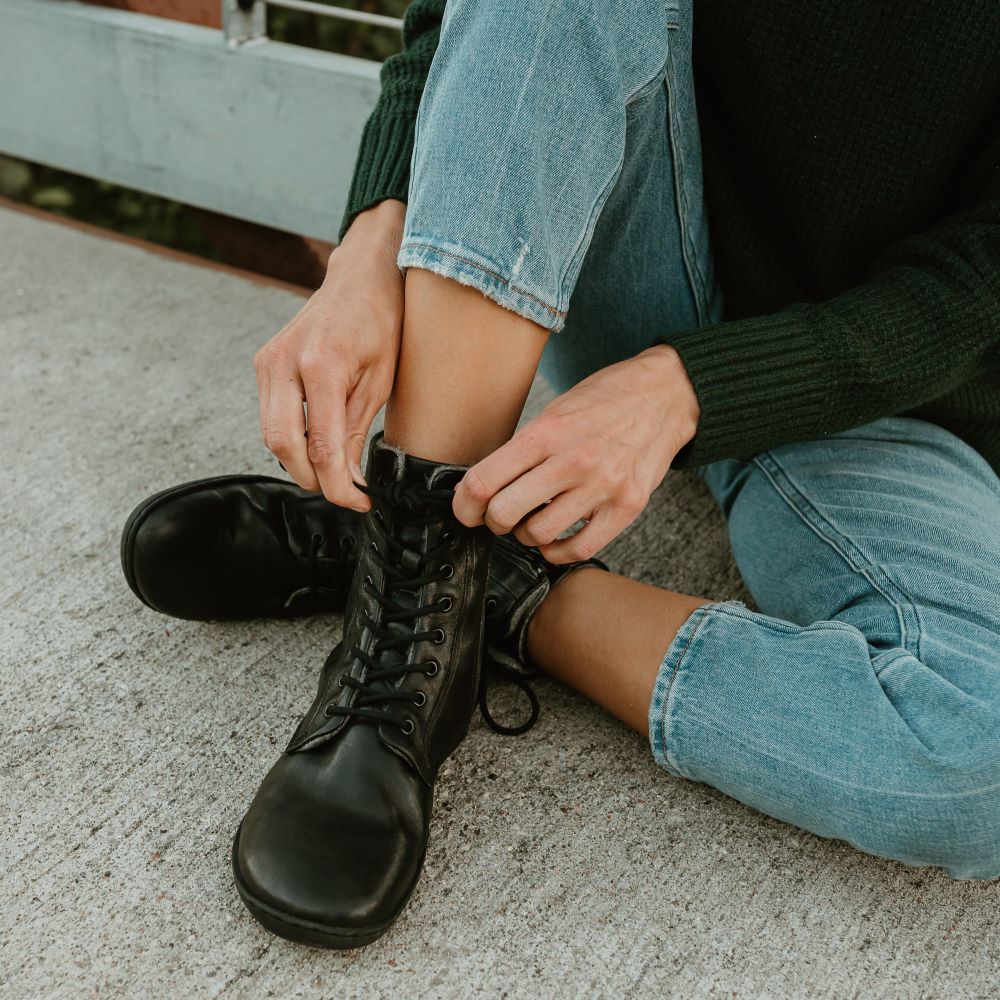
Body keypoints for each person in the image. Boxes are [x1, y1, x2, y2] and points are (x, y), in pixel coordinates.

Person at [121, 0, 1000, 948]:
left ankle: (467, 576)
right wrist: (369, 246)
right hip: (650, 248)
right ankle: (416, 586)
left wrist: (695, 392)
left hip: (895, 392)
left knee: (977, 767)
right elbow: (466, 27)